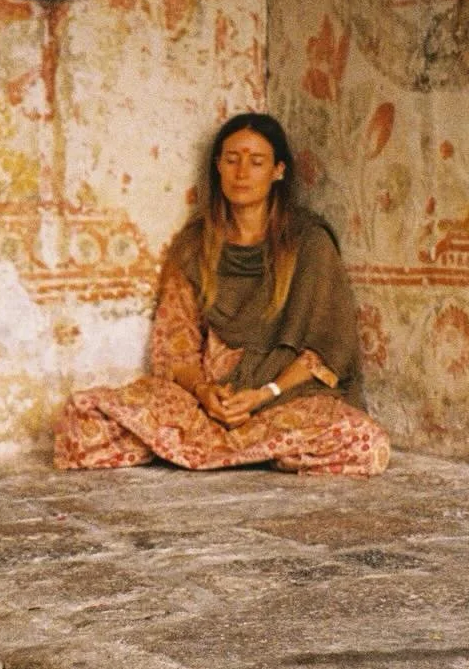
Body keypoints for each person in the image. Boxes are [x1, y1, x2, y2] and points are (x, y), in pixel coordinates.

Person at [54, 113, 391, 476]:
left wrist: (265, 393)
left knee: (364, 443)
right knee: (82, 420)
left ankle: (201, 449)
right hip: (206, 403)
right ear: (218, 166)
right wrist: (204, 392)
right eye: (231, 160)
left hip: (284, 399)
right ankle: (247, 450)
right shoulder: (195, 244)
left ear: (278, 170)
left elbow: (328, 350)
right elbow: (175, 342)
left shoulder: (308, 243)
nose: (241, 172)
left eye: (256, 161)